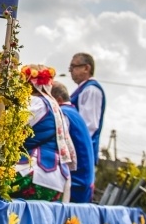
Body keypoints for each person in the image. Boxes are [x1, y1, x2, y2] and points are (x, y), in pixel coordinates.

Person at [10, 64, 76, 202]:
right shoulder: (56, 108)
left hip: (34, 174)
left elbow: (7, 129)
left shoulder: (36, 102)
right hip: (58, 180)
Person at [51, 81, 95, 203]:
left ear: (58, 100)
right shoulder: (75, 114)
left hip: (75, 183)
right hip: (85, 182)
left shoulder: (63, 115)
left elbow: (58, 147)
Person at [68, 52, 106, 165]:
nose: (70, 70)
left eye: (73, 66)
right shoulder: (83, 89)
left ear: (86, 68)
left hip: (82, 154)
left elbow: (88, 126)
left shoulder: (91, 90)